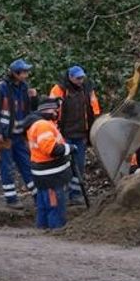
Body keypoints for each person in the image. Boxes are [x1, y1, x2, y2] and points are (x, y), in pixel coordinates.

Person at [50, 65, 102, 205]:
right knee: (63, 165)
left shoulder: (87, 88)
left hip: (81, 133)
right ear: (70, 77)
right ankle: (62, 195)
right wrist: (55, 133)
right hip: (64, 134)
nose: (81, 80)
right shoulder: (59, 89)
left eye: (82, 77)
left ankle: (76, 193)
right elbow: (52, 111)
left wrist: (93, 128)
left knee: (79, 165)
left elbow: (94, 108)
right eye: (78, 78)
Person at [0, 58, 37, 207]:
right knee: (7, 168)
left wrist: (34, 98)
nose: (27, 74)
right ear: (16, 73)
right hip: (5, 136)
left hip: (19, 135)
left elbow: (30, 110)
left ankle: (37, 196)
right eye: (24, 72)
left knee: (27, 165)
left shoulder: (24, 88)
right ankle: (11, 199)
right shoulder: (1, 89)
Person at [23, 97, 73, 230]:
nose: (57, 113)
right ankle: (55, 231)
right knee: (54, 205)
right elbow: (51, 150)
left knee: (44, 205)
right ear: (48, 110)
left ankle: (43, 229)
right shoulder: (43, 125)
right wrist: (69, 148)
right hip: (51, 175)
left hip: (44, 173)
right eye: (56, 110)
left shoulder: (38, 124)